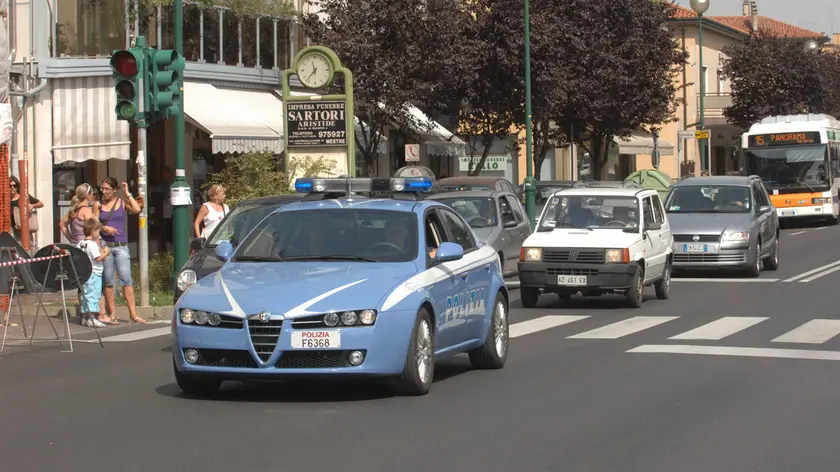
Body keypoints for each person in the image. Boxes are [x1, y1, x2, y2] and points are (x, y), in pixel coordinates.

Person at [96, 177, 146, 324]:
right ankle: (112, 314)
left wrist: (127, 193)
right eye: (102, 189)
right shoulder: (98, 205)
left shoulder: (121, 202)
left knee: (126, 279)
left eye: (107, 189)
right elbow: (93, 223)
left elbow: (137, 209)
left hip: (121, 246)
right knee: (109, 281)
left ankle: (134, 314)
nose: (104, 192)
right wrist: (105, 228)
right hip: (105, 246)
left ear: (115, 190)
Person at [77, 219, 109, 328]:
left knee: (86, 295)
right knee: (94, 295)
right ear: (93, 231)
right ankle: (92, 318)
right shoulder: (92, 245)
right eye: (99, 231)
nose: (99, 234)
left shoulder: (81, 243)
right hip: (94, 273)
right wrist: (106, 253)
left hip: (85, 273)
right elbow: (98, 258)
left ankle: (85, 317)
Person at [9, 175, 44, 241]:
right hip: (10, 229)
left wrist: (32, 206)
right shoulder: (5, 199)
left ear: (18, 187)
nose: (12, 188)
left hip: (23, 228)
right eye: (10, 186)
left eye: (15, 186)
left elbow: (41, 204)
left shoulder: (24, 197)